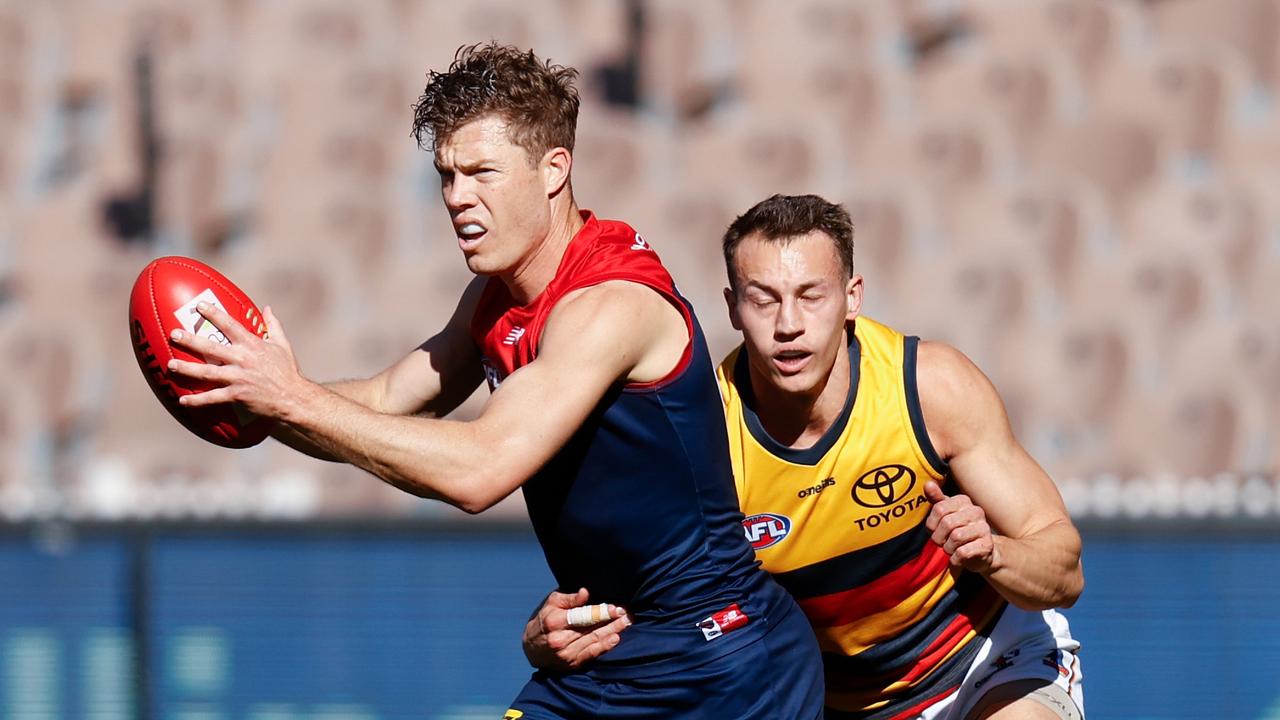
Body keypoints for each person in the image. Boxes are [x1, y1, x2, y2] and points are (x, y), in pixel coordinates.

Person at [164, 45, 823, 718]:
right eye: (447, 175)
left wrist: (291, 398)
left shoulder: (610, 305)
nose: (457, 198)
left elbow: (479, 472)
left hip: (727, 666)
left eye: (481, 172)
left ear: (553, 172)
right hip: (605, 651)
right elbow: (387, 400)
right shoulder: (492, 299)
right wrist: (253, 392)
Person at [525, 194, 1086, 720]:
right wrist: (548, 634)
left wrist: (992, 554)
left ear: (852, 296)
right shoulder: (701, 434)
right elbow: (637, 601)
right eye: (763, 299)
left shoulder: (929, 388)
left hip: (987, 662)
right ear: (732, 307)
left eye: (811, 296)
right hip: (828, 703)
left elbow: (1065, 569)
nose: (788, 325)